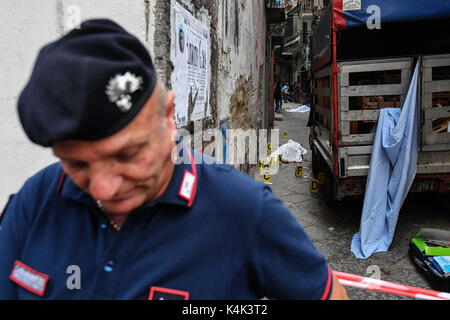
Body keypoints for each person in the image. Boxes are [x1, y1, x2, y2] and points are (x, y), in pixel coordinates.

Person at [0, 19, 348, 300]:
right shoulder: (35, 202)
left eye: (128, 155)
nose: (104, 188)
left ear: (169, 116)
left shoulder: (245, 212)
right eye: (77, 165)